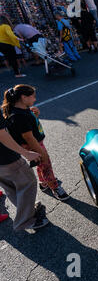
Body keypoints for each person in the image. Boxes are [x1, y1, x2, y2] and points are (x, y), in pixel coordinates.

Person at [3, 84, 69, 202]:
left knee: (40, 164)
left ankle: (43, 183)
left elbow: (30, 127)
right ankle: (55, 187)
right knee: (46, 164)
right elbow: (28, 137)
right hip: (33, 144)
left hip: (34, 143)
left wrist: (36, 116)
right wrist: (40, 151)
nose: (35, 99)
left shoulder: (22, 109)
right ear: (24, 97)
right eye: (33, 96)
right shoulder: (19, 116)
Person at [0, 90, 47, 230]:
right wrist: (26, 153)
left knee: (10, 186)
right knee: (28, 182)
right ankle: (25, 221)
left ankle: (29, 211)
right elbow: (2, 135)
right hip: (6, 157)